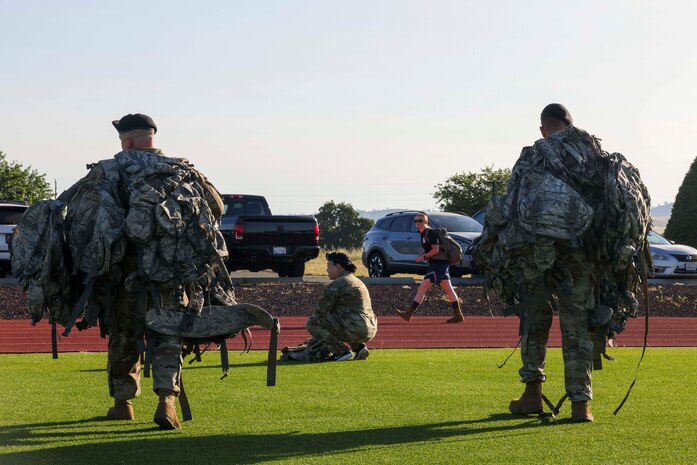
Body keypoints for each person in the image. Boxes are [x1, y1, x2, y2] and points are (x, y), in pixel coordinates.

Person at [476, 103, 650, 422]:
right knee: (577, 326)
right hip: (582, 258)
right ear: (572, 125)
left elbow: (515, 203)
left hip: (537, 255)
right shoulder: (597, 158)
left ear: (543, 129)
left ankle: (532, 395)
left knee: (534, 319)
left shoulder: (535, 153)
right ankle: (581, 406)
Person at [102, 113, 228, 429]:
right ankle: (167, 402)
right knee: (169, 336)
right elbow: (217, 207)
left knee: (124, 335)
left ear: (127, 141)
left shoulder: (111, 171)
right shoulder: (183, 170)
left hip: (127, 275)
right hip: (174, 273)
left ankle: (123, 403)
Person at [284, 252, 377, 362]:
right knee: (341, 319)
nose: (327, 270)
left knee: (313, 321)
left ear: (337, 267)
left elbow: (321, 310)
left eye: (329, 265)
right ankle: (359, 347)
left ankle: (341, 351)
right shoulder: (357, 281)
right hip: (370, 328)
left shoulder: (339, 283)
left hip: (355, 326)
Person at [396, 213, 464, 323]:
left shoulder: (430, 232)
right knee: (449, 290)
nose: (418, 222)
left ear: (426, 222)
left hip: (439, 265)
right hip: (438, 264)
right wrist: (422, 255)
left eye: (420, 220)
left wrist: (423, 257)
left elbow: (436, 250)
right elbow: (430, 248)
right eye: (416, 221)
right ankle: (458, 315)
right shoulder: (423, 234)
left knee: (422, 288)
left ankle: (409, 313)